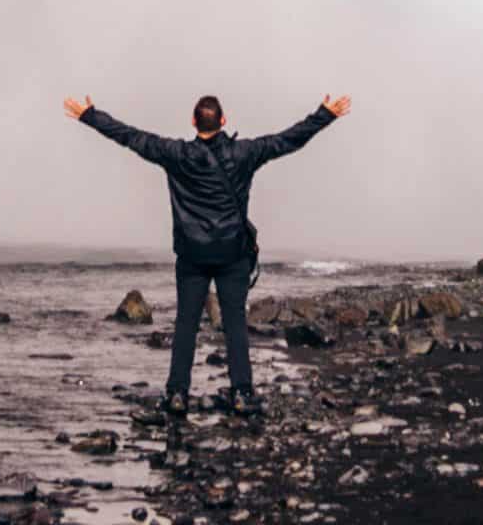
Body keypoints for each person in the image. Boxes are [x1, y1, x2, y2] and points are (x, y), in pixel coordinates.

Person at [63, 93, 351, 417]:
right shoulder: (245, 153)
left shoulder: (176, 154)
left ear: (193, 121)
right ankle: (241, 393)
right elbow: (288, 140)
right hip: (232, 253)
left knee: (186, 324)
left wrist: (89, 115)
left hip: (192, 254)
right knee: (235, 324)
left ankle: (177, 395)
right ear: (223, 121)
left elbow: (130, 137)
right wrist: (325, 114)